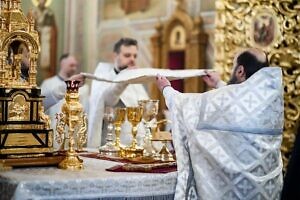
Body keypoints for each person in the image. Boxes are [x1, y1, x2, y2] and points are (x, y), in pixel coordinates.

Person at [156, 48, 284, 199]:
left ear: (240, 71)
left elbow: (185, 106)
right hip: (264, 190)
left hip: (234, 190)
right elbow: (237, 102)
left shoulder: (231, 101)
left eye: (233, 66)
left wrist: (166, 89)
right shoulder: (270, 99)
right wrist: (218, 83)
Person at [88, 37, 149, 148]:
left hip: (138, 145)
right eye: (127, 55)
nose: (132, 59)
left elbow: (147, 111)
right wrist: (125, 80)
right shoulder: (103, 75)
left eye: (135, 56)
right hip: (114, 145)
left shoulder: (136, 79)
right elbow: (108, 100)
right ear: (115, 56)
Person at [40, 54, 89, 148]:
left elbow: (84, 112)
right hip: (54, 130)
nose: (74, 68)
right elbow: (41, 108)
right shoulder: (48, 83)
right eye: (71, 65)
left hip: (74, 131)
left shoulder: (83, 87)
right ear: (62, 64)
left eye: (76, 66)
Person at [32, 0, 57, 82]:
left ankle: (46, 80)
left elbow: (54, 29)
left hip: (46, 41)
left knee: (46, 63)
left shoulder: (49, 13)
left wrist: (46, 30)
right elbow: (28, 27)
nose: (42, 1)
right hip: (35, 41)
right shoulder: (32, 12)